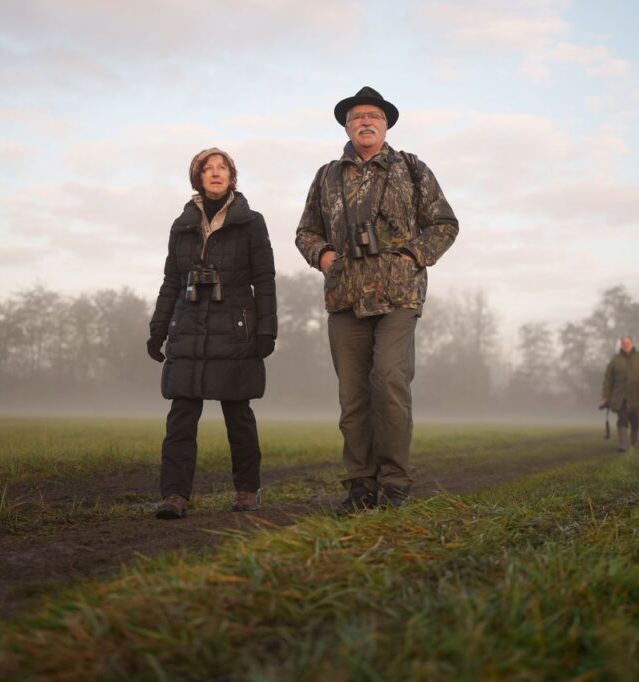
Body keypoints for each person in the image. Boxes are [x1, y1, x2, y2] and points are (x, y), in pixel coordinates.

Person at [295, 86, 459, 514]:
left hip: (398, 296)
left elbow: (443, 223)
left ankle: (394, 484)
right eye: (356, 117)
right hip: (345, 297)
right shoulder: (327, 175)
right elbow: (305, 232)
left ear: (386, 125)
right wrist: (324, 256)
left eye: (374, 116)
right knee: (352, 397)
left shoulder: (411, 168)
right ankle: (360, 487)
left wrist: (411, 257)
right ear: (346, 127)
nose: (365, 122)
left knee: (388, 381)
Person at [146, 148, 277, 519]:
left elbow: (264, 279)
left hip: (236, 329)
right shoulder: (182, 224)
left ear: (232, 176)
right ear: (198, 177)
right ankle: (174, 496)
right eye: (208, 168)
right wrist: (158, 329)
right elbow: (171, 281)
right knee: (181, 417)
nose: (215, 173)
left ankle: (247, 490)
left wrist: (267, 329)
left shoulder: (251, 221)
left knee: (238, 414)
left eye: (222, 168)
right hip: (188, 326)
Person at [600, 335, 639, 452]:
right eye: (623, 343)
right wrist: (605, 396)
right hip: (620, 398)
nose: (626, 345)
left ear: (632, 343)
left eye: (628, 343)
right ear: (621, 345)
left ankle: (634, 443)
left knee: (635, 421)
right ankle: (623, 446)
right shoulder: (615, 360)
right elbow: (608, 380)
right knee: (622, 420)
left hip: (638, 397)